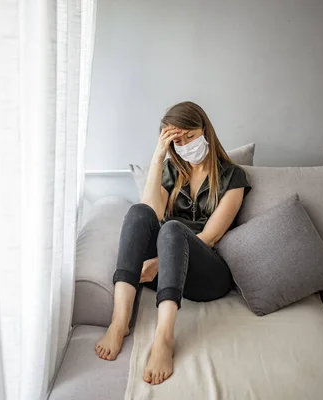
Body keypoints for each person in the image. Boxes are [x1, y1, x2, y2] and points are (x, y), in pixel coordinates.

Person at [94, 101, 252, 386]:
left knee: (173, 229)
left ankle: (164, 339)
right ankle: (119, 323)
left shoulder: (233, 176)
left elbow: (211, 236)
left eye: (189, 137)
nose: (185, 145)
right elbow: (151, 212)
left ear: (204, 130)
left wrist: (158, 262)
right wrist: (158, 158)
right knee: (138, 212)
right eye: (177, 141)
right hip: (165, 272)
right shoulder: (173, 169)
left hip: (206, 275)